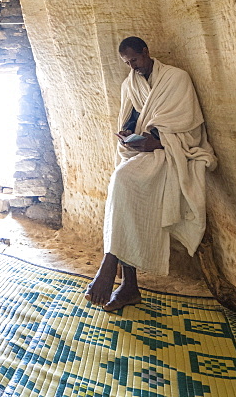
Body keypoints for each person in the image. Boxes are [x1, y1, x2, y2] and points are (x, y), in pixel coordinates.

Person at [86, 36, 217, 312]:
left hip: (173, 151)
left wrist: (156, 142)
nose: (132, 66)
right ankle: (127, 283)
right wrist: (127, 136)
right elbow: (132, 119)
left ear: (146, 52)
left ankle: (113, 268)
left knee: (125, 183)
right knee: (122, 183)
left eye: (134, 59)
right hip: (143, 151)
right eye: (126, 63)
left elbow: (190, 126)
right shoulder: (130, 84)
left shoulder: (176, 79)